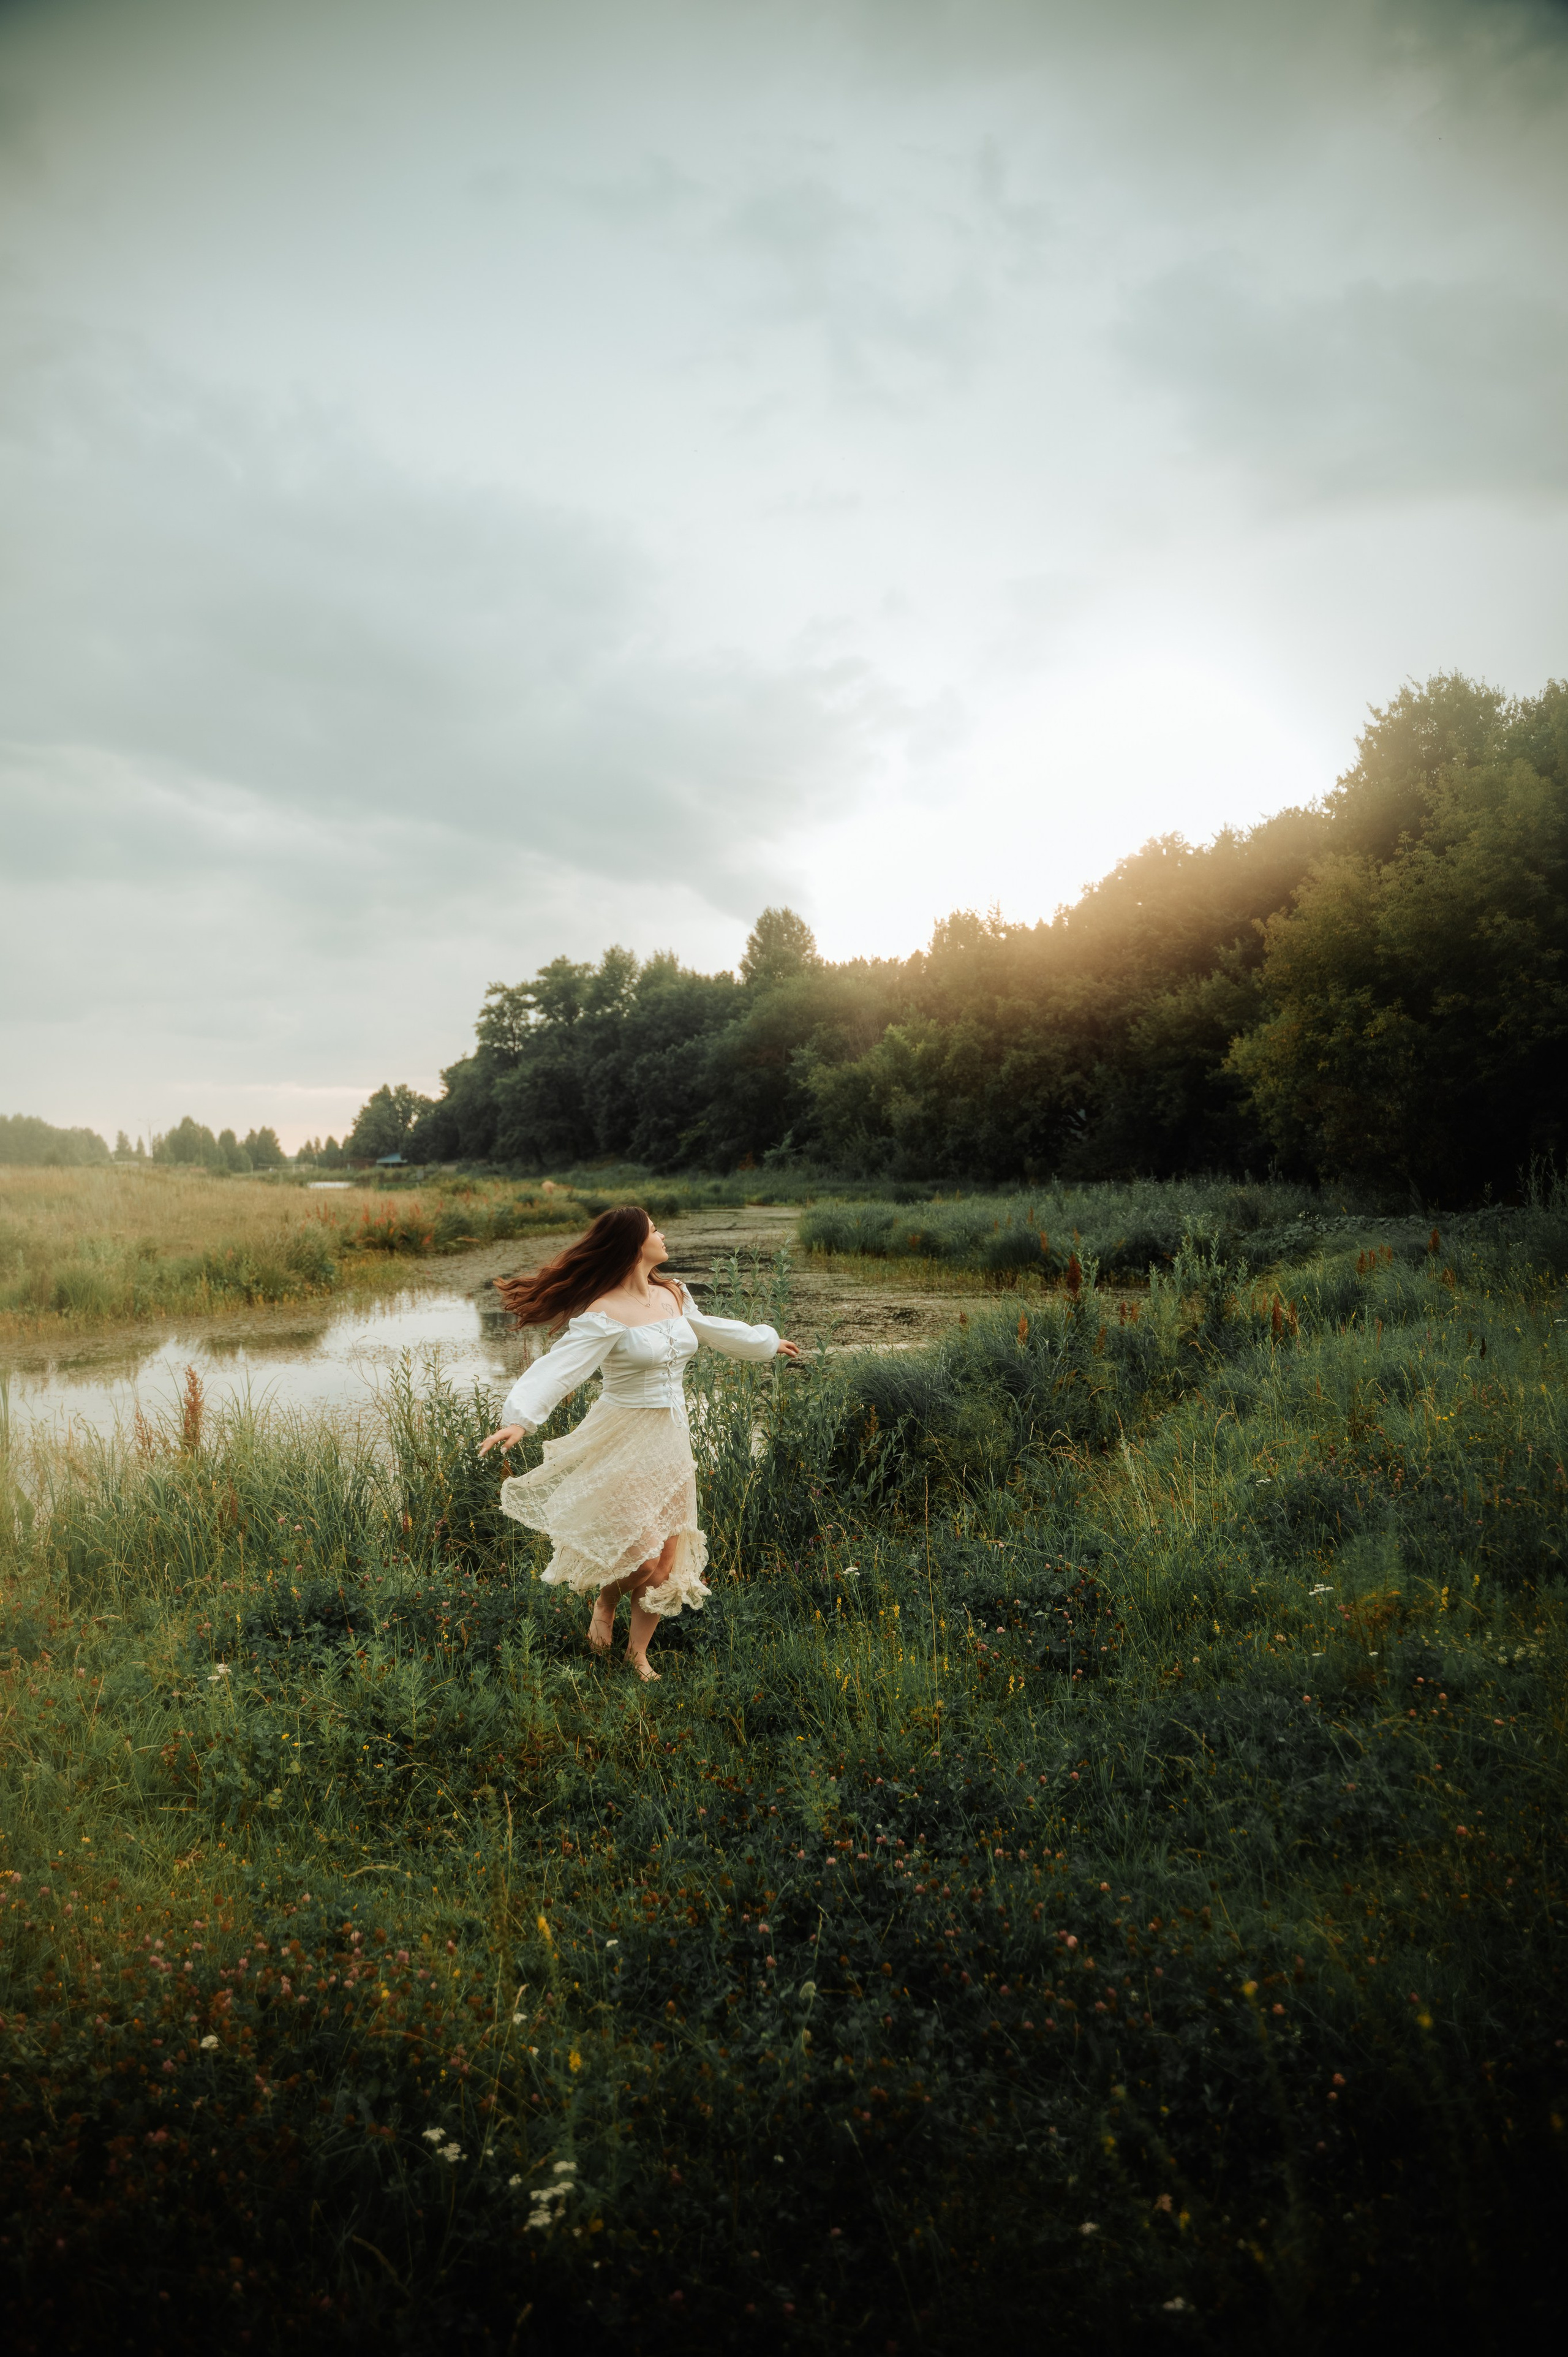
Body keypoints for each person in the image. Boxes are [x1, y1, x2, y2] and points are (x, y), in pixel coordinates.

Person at [477, 1205, 801, 1680]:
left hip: (672, 1437)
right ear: (633, 1245)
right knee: (643, 1554)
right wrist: (521, 1419)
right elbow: (562, 1366)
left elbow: (709, 1328)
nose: (663, 1235)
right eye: (654, 1230)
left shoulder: (672, 1293)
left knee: (668, 1559)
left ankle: (637, 1654)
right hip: (623, 1435)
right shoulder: (604, 1311)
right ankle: (606, 1601)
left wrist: (763, 1343)